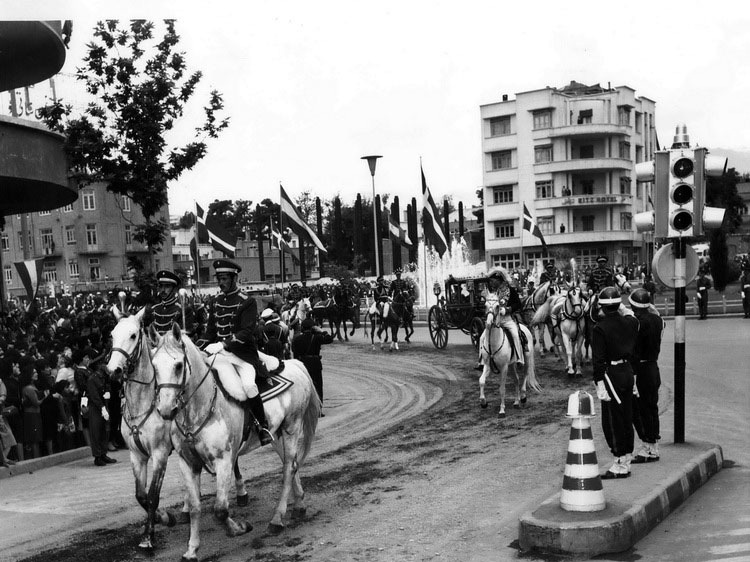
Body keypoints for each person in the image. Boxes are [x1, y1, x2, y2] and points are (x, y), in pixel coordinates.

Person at [196, 260, 273, 446]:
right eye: (219, 278)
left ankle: (262, 426)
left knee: (248, 387)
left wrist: (223, 344)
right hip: (220, 355)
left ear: (234, 278)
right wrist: (195, 347)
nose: (220, 282)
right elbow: (210, 332)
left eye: (224, 278)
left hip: (242, 355)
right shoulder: (215, 302)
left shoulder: (247, 301)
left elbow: (246, 332)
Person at [592, 287, 638, 479]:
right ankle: (626, 457)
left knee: (612, 420)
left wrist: (599, 382)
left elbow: (598, 360)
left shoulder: (600, 328)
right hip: (627, 371)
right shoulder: (629, 322)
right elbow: (631, 315)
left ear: (601, 306)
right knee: (627, 417)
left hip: (611, 374)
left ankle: (619, 462)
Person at [628, 289, 664, 463]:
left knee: (642, 410)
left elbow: (633, 350)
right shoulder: (658, 320)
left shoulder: (637, 323)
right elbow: (658, 318)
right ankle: (653, 446)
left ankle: (647, 448)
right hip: (653, 366)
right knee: (652, 408)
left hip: (640, 369)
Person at [475, 267, 524, 370]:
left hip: (507, 319)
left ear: (499, 280)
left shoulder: (510, 291)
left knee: (515, 335)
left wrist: (508, 309)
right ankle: (481, 361)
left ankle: (519, 358)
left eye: (494, 281)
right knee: (482, 337)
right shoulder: (493, 292)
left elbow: (518, 304)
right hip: (495, 320)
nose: (492, 283)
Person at [291, 317, 333, 406]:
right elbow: (329, 339)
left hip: (303, 364)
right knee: (317, 386)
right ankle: (319, 408)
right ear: (313, 328)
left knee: (305, 387)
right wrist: (322, 331)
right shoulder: (317, 337)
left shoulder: (297, 339)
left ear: (302, 328)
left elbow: (295, 355)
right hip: (315, 363)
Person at [86, 361, 116, 466]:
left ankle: (103, 453)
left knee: (105, 430)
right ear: (99, 367)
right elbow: (94, 396)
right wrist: (102, 408)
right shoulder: (92, 379)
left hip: (105, 405)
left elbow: (108, 387)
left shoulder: (105, 377)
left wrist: (108, 392)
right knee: (96, 431)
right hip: (96, 407)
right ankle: (97, 456)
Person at [149, 270, 184, 335]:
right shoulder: (154, 309)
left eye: (167, 286)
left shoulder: (182, 310)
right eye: (161, 286)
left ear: (174, 289)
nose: (163, 290)